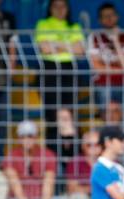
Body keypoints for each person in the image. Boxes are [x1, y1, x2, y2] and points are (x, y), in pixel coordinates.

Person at [35, 0, 85, 143]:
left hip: (69, 69)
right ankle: (53, 155)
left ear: (68, 8)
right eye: (56, 6)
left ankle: (71, 156)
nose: (59, 9)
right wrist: (69, 46)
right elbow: (44, 48)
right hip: (49, 69)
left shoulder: (74, 26)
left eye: (63, 6)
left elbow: (80, 51)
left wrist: (55, 45)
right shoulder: (43, 24)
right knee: (52, 115)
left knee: (70, 114)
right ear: (50, 8)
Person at [89, 2, 124, 134]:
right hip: (102, 83)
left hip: (123, 83)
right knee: (107, 114)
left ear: (117, 17)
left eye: (112, 15)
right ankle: (108, 139)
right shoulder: (95, 37)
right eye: (105, 16)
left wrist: (116, 41)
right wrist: (119, 68)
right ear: (100, 20)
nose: (109, 18)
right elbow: (97, 67)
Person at [0, 0, 16, 160]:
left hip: (2, 78)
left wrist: (11, 70)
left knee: (2, 122)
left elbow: (12, 45)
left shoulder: (8, 17)